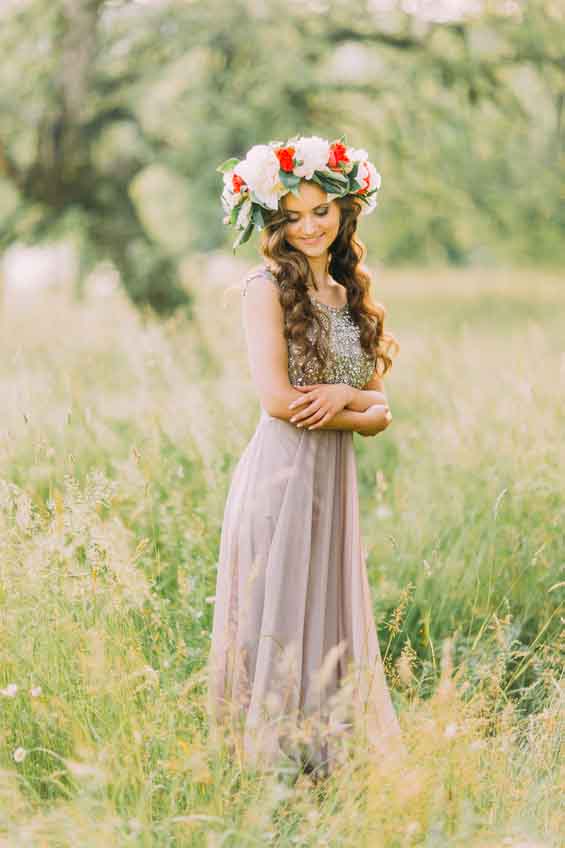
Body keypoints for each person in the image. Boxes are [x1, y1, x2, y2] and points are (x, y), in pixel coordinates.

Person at [207, 136, 405, 778]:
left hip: (333, 484)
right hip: (281, 476)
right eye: (292, 215)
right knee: (280, 622)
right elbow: (277, 400)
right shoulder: (264, 286)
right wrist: (364, 410)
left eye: (320, 210)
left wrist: (351, 395)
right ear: (272, 222)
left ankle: (327, 767)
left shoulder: (351, 292)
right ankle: (268, 774)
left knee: (326, 616)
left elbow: (381, 407)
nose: (309, 225)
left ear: (347, 209)